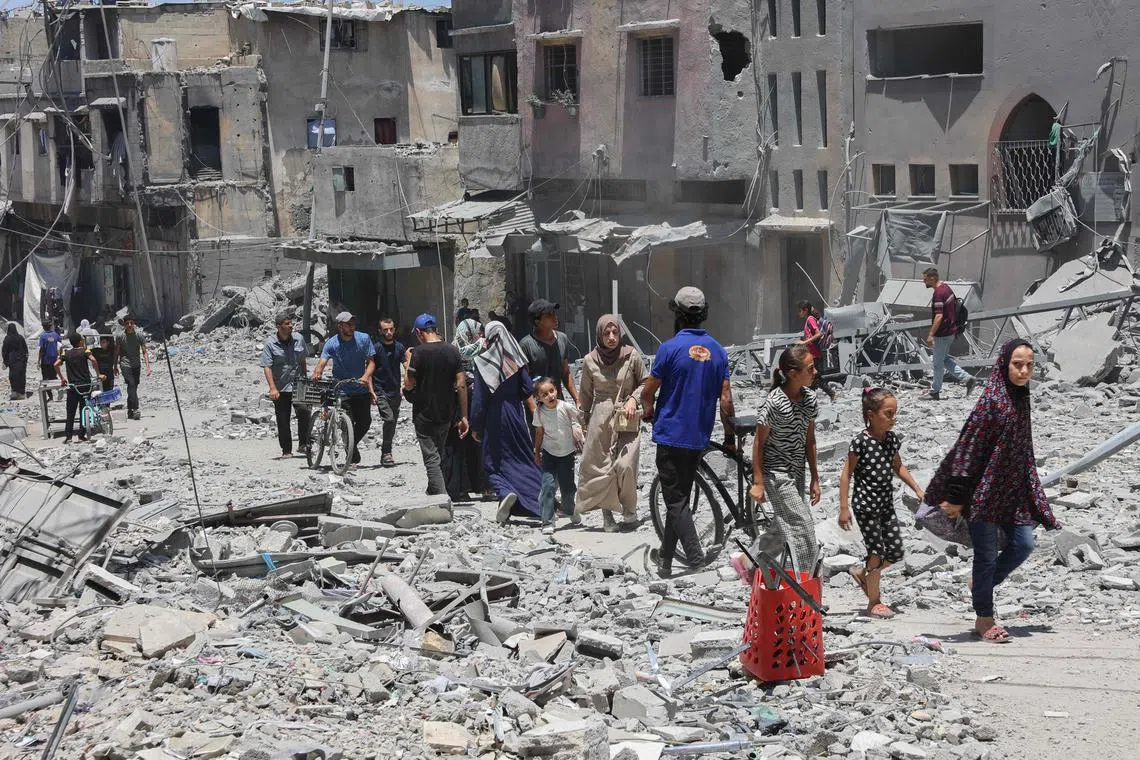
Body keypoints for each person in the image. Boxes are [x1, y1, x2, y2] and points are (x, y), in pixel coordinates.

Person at [923, 339, 1058, 643]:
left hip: (1012, 494)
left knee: (1023, 545)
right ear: (1004, 364)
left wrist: (1032, 492)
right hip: (982, 495)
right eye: (1017, 365)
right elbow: (968, 448)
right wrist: (956, 495)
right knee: (985, 556)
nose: (1024, 371)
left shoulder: (1020, 397)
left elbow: (1023, 448)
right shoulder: (992, 401)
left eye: (1029, 365)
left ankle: (980, 586)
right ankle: (984, 618)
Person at [642, 287, 736, 577]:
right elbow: (726, 400)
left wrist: (648, 411)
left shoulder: (668, 349)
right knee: (680, 498)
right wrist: (730, 438)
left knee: (675, 500)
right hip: (698, 437)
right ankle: (665, 561)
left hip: (670, 436)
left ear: (677, 314)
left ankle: (695, 559)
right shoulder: (718, 351)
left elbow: (648, 392)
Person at [838, 388, 924, 619]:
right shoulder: (861, 442)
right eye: (888, 413)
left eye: (895, 413)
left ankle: (863, 573)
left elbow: (898, 466)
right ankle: (874, 602)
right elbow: (846, 475)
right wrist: (844, 508)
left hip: (885, 506)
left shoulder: (891, 440)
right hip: (866, 507)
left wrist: (917, 488)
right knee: (876, 551)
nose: (893, 418)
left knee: (895, 551)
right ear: (871, 415)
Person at [750, 345, 821, 573]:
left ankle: (747, 564)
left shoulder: (809, 399)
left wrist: (815, 478)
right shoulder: (774, 403)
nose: (815, 372)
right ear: (792, 373)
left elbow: (810, 440)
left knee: (782, 527)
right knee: (802, 525)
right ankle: (805, 582)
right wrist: (758, 482)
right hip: (776, 474)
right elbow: (758, 443)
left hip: (797, 471)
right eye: (810, 369)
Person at [577, 314, 647, 532]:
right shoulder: (590, 360)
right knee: (601, 468)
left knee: (626, 465)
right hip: (599, 420)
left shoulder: (632, 356)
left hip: (627, 417)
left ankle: (629, 510)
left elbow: (646, 382)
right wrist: (583, 422)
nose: (611, 337)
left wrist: (634, 399)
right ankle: (607, 515)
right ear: (600, 335)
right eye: (606, 333)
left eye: (615, 332)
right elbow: (585, 394)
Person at [471, 321, 543, 523]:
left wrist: (476, 425)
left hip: (494, 415)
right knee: (521, 457)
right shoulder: (516, 359)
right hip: (515, 413)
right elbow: (527, 389)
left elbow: (480, 398)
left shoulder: (483, 362)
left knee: (491, 462)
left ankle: (505, 491)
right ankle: (541, 497)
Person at [404, 313, 467, 498]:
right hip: (446, 413)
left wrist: (408, 361)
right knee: (438, 453)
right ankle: (433, 490)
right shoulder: (452, 350)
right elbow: (461, 384)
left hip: (424, 414)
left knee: (431, 457)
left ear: (419, 332)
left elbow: (409, 384)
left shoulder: (418, 353)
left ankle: (441, 497)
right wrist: (464, 415)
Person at [312, 311, 376, 466]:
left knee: (365, 422)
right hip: (342, 389)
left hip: (360, 388)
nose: (352, 327)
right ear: (340, 326)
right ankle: (351, 456)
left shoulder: (363, 339)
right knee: (347, 424)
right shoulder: (332, 343)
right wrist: (317, 372)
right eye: (348, 324)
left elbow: (371, 362)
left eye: (353, 324)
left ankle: (349, 444)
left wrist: (366, 376)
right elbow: (322, 361)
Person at [532, 376, 583, 535]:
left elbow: (581, 418)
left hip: (567, 454)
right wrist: (537, 451)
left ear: (556, 390)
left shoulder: (566, 407)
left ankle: (569, 509)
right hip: (549, 454)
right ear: (538, 398)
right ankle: (547, 521)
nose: (550, 396)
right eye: (545, 394)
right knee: (548, 486)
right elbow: (539, 432)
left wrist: (583, 434)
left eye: (552, 391)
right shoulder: (539, 412)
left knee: (568, 488)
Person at [260, 312, 311, 459]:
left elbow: (302, 360)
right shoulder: (270, 344)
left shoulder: (299, 339)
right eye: (287, 324)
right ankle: (286, 450)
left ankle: (304, 444)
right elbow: (267, 367)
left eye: (291, 323)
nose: (291, 326)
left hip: (298, 383)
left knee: (304, 413)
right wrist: (272, 388)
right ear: (278, 326)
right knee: (283, 419)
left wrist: (305, 379)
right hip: (281, 387)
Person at [922, 267, 976, 401]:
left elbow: (939, 316)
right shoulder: (946, 288)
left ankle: (935, 392)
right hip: (951, 331)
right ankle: (968, 379)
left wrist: (931, 334)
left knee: (937, 364)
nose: (924, 281)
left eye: (925, 279)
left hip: (942, 333)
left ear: (932, 278)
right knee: (944, 359)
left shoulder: (939, 293)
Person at [452, 318, 489, 499]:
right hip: (464, 402)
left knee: (476, 444)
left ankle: (478, 486)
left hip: (472, 402)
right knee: (466, 445)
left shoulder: (481, 349)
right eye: (476, 333)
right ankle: (467, 487)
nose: (479, 336)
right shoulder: (457, 350)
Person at [519, 299, 579, 407]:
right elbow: (525, 382)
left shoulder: (562, 339)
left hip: (558, 405)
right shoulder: (526, 345)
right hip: (538, 407)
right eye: (548, 315)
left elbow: (565, 373)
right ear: (537, 322)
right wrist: (534, 411)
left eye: (554, 313)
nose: (555, 317)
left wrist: (577, 399)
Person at [55, 332, 104, 444]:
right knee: (84, 408)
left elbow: (56, 364)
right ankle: (81, 435)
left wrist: (62, 378)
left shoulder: (66, 353)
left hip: (73, 386)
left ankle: (68, 437)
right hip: (85, 385)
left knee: (70, 412)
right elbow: (93, 360)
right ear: (80, 341)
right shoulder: (85, 351)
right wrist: (98, 374)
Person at [372, 317, 405, 467]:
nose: (389, 332)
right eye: (385, 330)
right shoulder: (376, 348)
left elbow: (406, 365)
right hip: (380, 390)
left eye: (391, 329)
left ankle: (386, 453)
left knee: (392, 424)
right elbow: (369, 368)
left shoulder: (399, 347)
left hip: (395, 391)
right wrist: (371, 391)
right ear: (380, 331)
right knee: (389, 419)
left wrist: (406, 383)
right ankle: (386, 452)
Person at [114, 315, 151, 420]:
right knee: (131, 384)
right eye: (127, 323)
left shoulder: (139, 335)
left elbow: (144, 351)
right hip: (125, 364)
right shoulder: (120, 336)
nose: (129, 325)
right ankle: (135, 409)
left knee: (133, 387)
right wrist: (115, 366)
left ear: (134, 323)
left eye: (131, 323)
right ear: (124, 325)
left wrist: (148, 366)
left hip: (136, 365)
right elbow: (116, 352)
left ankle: (129, 409)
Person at [3, 324, 27, 400]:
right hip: (21, 360)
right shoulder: (20, 337)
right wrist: (25, 360)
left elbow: (4, 351)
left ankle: (15, 392)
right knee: (21, 376)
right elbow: (25, 349)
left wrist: (5, 361)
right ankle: (21, 393)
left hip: (12, 360)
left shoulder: (7, 338)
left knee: (13, 376)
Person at [38, 322, 62, 398]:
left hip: (45, 360)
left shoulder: (42, 336)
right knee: (54, 376)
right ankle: (59, 391)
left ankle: (50, 395)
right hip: (54, 359)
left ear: (43, 327)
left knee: (45, 378)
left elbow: (41, 349)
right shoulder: (55, 334)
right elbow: (60, 345)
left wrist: (38, 360)